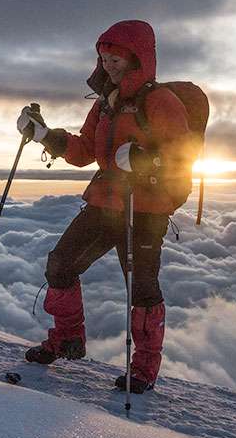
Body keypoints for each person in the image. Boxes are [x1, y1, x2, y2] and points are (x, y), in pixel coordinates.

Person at [16, 20, 193, 394]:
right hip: (105, 201)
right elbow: (84, 151)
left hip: (146, 210)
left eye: (116, 58)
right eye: (104, 58)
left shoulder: (161, 101)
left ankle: (144, 368)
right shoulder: (105, 105)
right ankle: (67, 340)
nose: (109, 64)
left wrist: (146, 159)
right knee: (60, 264)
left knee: (142, 288)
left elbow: (183, 153)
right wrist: (44, 135)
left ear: (137, 58)